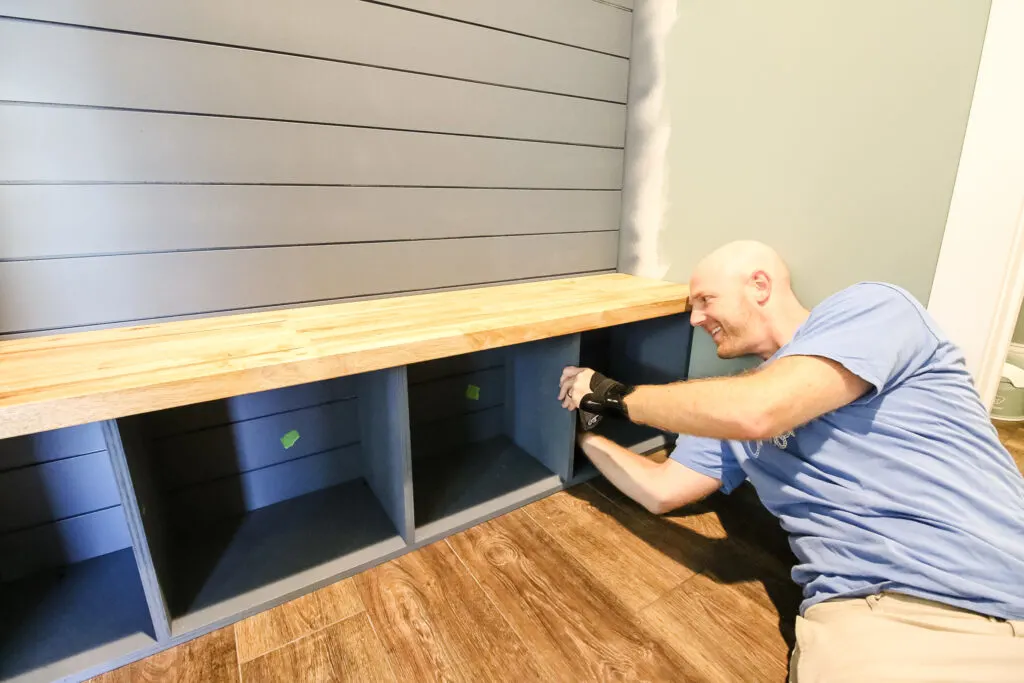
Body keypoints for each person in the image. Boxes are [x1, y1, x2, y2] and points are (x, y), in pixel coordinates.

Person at [559, 240, 1024, 682]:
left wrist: (613, 396)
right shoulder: (731, 403)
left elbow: (759, 410)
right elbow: (661, 491)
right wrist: (580, 438)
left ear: (760, 285)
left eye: (705, 299)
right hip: (884, 621)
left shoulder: (871, 309)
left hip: (1001, 575)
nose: (696, 318)